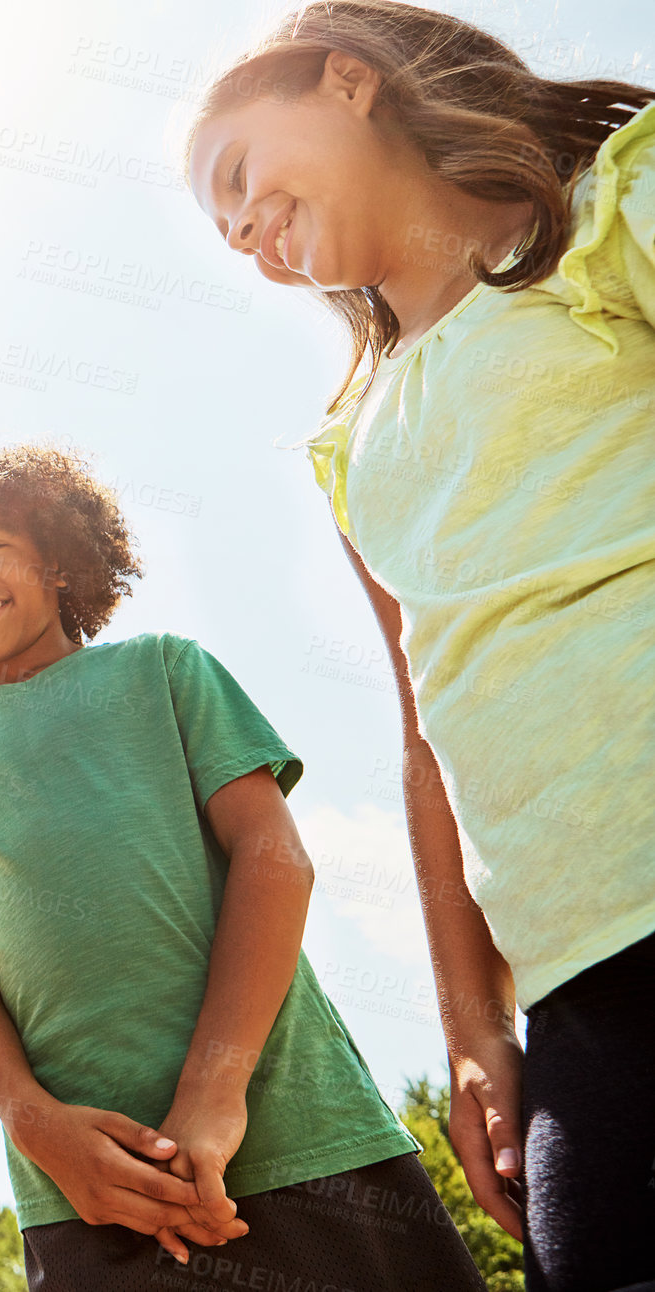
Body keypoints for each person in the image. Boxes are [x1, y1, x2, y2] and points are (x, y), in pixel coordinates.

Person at [186, 3, 655, 1287]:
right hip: (578, 974)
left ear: (347, 81)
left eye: (237, 175)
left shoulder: (604, 211)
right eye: (220, 227)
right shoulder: (353, 447)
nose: (237, 227)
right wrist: (470, 1027)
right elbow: (424, 729)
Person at [0, 443, 483, 1291]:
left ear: (59, 558)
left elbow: (274, 858)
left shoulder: (166, 670)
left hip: (296, 1143)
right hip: (89, 1193)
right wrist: (35, 1126)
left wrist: (215, 1094)